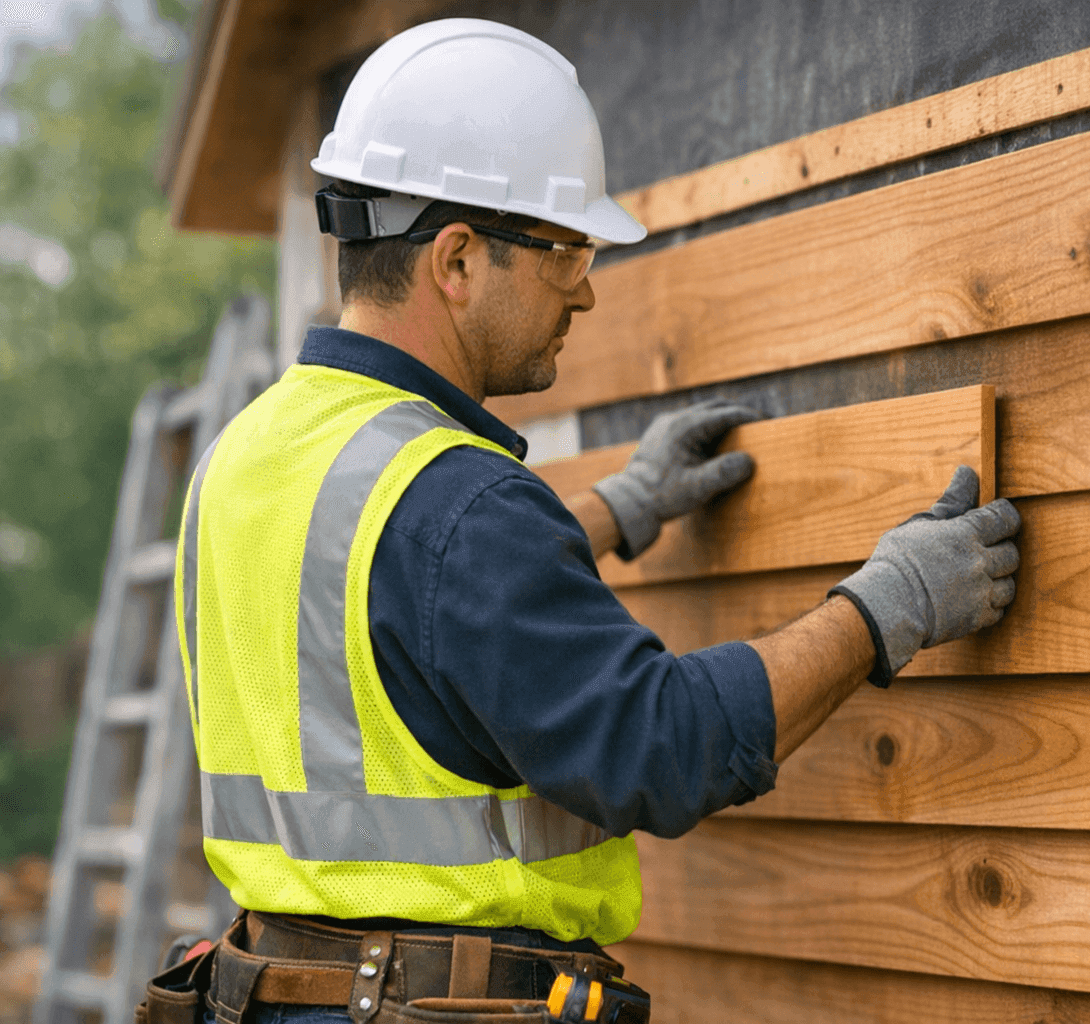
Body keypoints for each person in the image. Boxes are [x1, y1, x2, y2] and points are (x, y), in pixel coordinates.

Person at [166, 17, 1020, 1024]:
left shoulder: (248, 454)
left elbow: (384, 610)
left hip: (267, 994)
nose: (587, 289)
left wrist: (610, 513)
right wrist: (886, 606)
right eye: (565, 248)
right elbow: (660, 747)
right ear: (457, 260)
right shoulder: (457, 500)